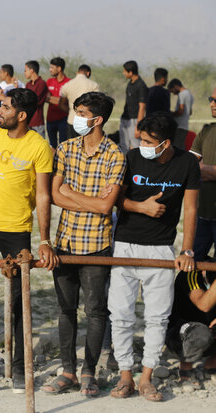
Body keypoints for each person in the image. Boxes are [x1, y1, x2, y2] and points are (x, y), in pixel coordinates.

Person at [0, 88, 57, 391]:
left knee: (20, 302)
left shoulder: (39, 147)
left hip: (17, 231)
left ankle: (19, 366)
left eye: (4, 107)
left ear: (21, 115)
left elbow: (44, 195)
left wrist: (44, 240)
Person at [109, 112, 199, 402]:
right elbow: (115, 200)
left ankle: (146, 377)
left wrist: (186, 250)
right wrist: (140, 207)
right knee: (121, 315)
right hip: (124, 245)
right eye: (141, 139)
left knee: (157, 318)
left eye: (149, 141)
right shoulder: (132, 158)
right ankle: (125, 375)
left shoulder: (187, 163)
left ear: (166, 143)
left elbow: (191, 210)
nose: (142, 144)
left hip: (161, 250)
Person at [44, 92, 126, 397]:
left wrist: (71, 194)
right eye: (76, 111)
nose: (75, 117)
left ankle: (89, 371)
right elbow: (54, 195)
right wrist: (90, 200)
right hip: (65, 241)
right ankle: (68, 371)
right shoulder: (65, 148)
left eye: (81, 112)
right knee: (66, 310)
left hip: (96, 244)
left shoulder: (115, 155)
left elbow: (107, 209)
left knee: (95, 311)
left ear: (98, 120)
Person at [165, 268, 216, 386]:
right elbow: (204, 305)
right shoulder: (191, 273)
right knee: (200, 333)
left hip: (210, 330)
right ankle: (185, 369)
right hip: (181, 333)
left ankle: (212, 364)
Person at [189, 87, 216, 261]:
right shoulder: (207, 130)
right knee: (191, 266)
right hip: (202, 215)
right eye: (210, 99)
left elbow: (196, 168)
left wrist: (202, 169)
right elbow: (190, 165)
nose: (212, 104)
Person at [59, 64, 99, 140]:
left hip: (72, 120)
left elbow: (61, 104)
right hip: (87, 121)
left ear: (77, 72)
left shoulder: (67, 85)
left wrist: (71, 111)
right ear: (88, 73)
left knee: (72, 147)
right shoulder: (93, 85)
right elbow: (96, 104)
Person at [119, 60, 148, 154]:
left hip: (134, 120)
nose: (123, 73)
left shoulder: (141, 85)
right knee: (123, 146)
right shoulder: (130, 83)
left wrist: (138, 126)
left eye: (125, 71)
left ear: (130, 72)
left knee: (136, 146)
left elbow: (142, 106)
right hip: (125, 118)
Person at [45, 57, 71, 148]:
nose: (50, 70)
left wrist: (52, 99)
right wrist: (60, 101)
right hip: (50, 119)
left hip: (63, 119)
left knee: (63, 145)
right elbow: (46, 98)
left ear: (59, 69)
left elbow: (67, 100)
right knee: (52, 146)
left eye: (52, 67)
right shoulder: (49, 82)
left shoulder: (69, 83)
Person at [24, 60, 47, 139]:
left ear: (31, 70)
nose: (24, 72)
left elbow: (35, 100)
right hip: (27, 121)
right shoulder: (28, 84)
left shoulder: (41, 83)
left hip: (37, 122)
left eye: (25, 70)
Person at [168, 78, 194, 149]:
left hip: (179, 126)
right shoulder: (190, 94)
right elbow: (190, 112)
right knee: (181, 146)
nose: (173, 93)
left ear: (176, 86)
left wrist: (171, 114)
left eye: (172, 90)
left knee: (177, 147)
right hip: (185, 125)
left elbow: (180, 111)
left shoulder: (182, 94)